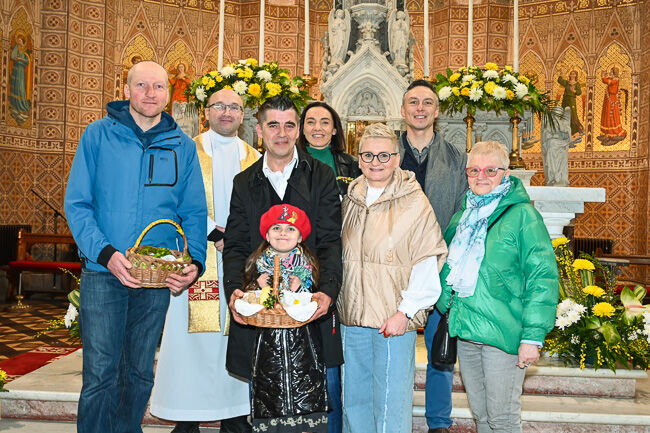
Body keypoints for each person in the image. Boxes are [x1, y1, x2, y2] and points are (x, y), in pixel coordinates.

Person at [64, 60, 207, 433]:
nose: (150, 93)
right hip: (103, 272)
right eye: (141, 85)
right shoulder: (97, 135)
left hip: (155, 277)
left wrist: (194, 262)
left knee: (140, 372)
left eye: (158, 87)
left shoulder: (183, 146)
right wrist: (105, 253)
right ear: (126, 89)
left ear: (168, 95)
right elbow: (77, 204)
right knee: (100, 374)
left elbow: (193, 210)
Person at [223, 95, 343, 432]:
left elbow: (332, 241)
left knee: (324, 402)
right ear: (259, 130)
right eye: (273, 125)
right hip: (262, 311)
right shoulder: (244, 182)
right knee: (265, 406)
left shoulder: (320, 176)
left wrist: (328, 293)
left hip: (312, 311)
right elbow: (233, 246)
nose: (282, 133)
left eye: (289, 125)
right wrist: (234, 291)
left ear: (298, 130)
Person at [150, 88, 259, 433]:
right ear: (206, 112)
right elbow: (173, 199)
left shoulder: (255, 158)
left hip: (240, 261)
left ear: (244, 115)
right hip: (195, 258)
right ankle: (187, 417)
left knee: (234, 336)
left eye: (234, 107)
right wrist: (215, 235)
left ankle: (235, 413)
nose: (226, 112)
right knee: (191, 341)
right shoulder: (187, 151)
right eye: (219, 106)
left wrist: (237, 240)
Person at [436, 141, 559, 433]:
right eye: (474, 170)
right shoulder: (463, 215)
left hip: (503, 333)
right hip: (466, 329)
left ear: (505, 173)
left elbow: (542, 276)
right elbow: (446, 265)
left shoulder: (523, 216)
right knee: (481, 415)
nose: (481, 176)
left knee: (502, 418)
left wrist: (532, 336)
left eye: (491, 170)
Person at [338, 123, 448, 433]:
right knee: (354, 401)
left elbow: (427, 260)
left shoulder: (415, 201)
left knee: (390, 402)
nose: (376, 162)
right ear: (358, 159)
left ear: (397, 158)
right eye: (368, 155)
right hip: (352, 320)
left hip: (393, 319)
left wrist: (406, 311)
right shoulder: (351, 198)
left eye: (384, 155)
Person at [398, 79, 468, 433]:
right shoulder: (387, 154)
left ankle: (438, 421)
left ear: (437, 111)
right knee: (394, 342)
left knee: (441, 348)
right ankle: (394, 410)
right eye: (414, 102)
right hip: (394, 265)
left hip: (441, 263)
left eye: (427, 102)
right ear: (403, 110)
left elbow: (462, 211)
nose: (420, 108)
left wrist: (450, 257)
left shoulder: (458, 159)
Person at [240, 204, 328, 433]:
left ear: (299, 237)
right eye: (276, 228)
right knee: (270, 397)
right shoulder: (258, 266)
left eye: (290, 229)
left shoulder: (306, 268)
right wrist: (258, 287)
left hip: (302, 345)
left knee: (304, 395)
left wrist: (299, 289)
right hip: (267, 346)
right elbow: (250, 302)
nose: (282, 233)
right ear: (267, 236)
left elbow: (311, 303)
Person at [298, 101, 361, 197]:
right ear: (302, 129)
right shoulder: (289, 162)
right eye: (311, 122)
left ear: (334, 130)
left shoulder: (353, 164)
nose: (317, 128)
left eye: (325, 122)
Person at [599, 67, 627, 142]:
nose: (610, 73)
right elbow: (607, 79)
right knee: (606, 114)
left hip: (611, 99)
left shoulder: (615, 80)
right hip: (608, 99)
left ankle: (612, 132)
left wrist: (602, 76)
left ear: (614, 73)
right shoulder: (612, 78)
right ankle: (606, 133)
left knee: (610, 114)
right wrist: (605, 74)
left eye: (611, 72)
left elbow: (605, 81)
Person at [9, 35, 31, 124]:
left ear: (22, 41)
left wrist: (21, 59)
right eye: (17, 40)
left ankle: (23, 106)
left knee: (21, 88)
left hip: (22, 72)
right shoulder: (16, 48)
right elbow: (13, 56)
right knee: (16, 87)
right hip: (16, 70)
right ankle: (14, 105)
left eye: (20, 40)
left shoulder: (25, 50)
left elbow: (27, 61)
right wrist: (18, 59)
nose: (18, 41)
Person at [557, 70, 584, 137]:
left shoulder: (577, 84)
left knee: (573, 114)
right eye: (571, 74)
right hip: (565, 99)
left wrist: (574, 91)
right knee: (564, 113)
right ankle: (564, 129)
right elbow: (559, 80)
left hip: (572, 100)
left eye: (574, 74)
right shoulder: (567, 83)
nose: (572, 75)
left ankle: (576, 129)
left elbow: (579, 92)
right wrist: (561, 74)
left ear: (576, 76)